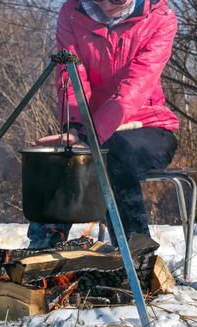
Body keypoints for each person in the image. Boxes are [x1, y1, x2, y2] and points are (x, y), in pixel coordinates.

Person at [27, 0, 179, 248]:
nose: (108, 5)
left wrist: (90, 137)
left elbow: (135, 87)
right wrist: (72, 128)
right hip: (89, 127)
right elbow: (70, 76)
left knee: (110, 154)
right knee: (61, 157)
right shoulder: (73, 12)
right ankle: (43, 248)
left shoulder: (160, 17)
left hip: (147, 125)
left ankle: (134, 251)